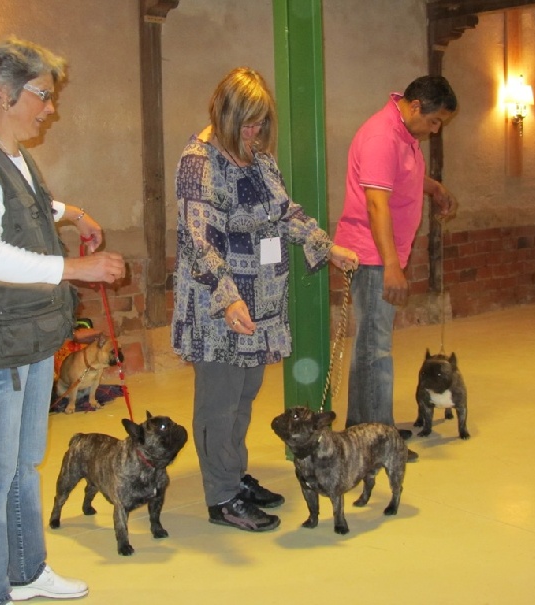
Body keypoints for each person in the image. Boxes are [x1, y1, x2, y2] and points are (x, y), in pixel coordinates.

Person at [0, 38, 125, 605]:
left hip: (31, 335)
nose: (50, 108)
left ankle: (26, 571)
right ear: (4, 92)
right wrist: (75, 266)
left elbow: (31, 202)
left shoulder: (13, 156)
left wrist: (74, 214)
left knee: (24, 464)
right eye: (42, 95)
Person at [171, 67, 359, 532]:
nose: (254, 133)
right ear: (224, 114)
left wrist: (326, 246)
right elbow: (198, 240)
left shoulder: (258, 158)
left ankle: (233, 475)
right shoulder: (199, 162)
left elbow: (284, 213)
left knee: (243, 397)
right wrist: (228, 298)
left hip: (261, 302)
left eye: (260, 124)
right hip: (219, 306)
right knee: (219, 403)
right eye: (247, 123)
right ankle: (222, 497)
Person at [333, 75, 459, 462]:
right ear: (416, 106)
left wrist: (433, 187)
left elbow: (400, 176)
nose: (435, 130)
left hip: (381, 254)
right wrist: (391, 265)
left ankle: (362, 429)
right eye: (434, 121)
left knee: (370, 346)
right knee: (376, 350)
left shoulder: (403, 133)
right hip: (373, 256)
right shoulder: (382, 136)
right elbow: (376, 204)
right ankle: (378, 442)